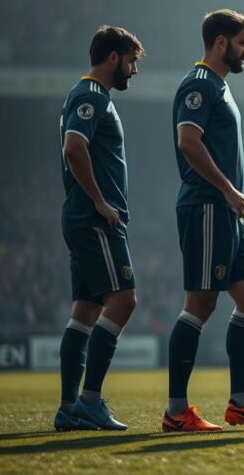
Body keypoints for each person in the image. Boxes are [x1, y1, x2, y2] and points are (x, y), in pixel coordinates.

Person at [163, 9, 244, 432]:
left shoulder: (222, 88)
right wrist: (229, 191)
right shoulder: (199, 84)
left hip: (227, 210)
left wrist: (236, 200)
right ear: (221, 42)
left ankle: (241, 403)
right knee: (201, 303)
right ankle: (176, 412)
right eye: (243, 41)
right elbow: (187, 141)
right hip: (207, 205)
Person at [56, 25, 144, 431]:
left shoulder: (89, 96)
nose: (134, 70)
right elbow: (74, 147)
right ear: (113, 58)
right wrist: (99, 201)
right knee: (124, 302)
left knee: (85, 312)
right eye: (131, 61)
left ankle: (69, 407)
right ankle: (90, 400)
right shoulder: (91, 96)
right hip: (94, 219)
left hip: (82, 217)